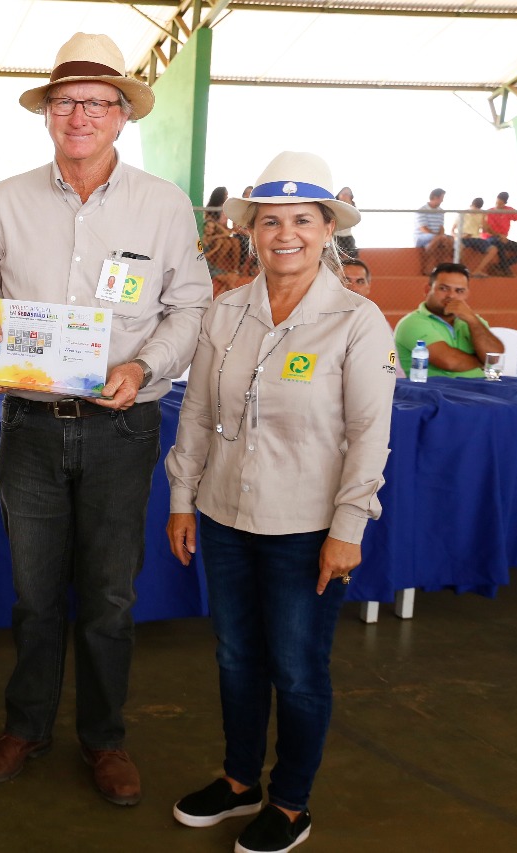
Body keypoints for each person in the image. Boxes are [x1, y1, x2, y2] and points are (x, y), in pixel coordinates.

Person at [0, 32, 210, 806]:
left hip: (122, 428)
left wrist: (144, 368)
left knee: (109, 597)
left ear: (122, 115)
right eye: (66, 101)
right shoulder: (8, 198)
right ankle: (26, 725)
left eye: (98, 103)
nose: (80, 116)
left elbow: (190, 307)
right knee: (35, 594)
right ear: (47, 113)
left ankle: (105, 738)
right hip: (30, 425)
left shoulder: (162, 204)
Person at [165, 152, 396, 853]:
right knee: (236, 656)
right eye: (270, 221)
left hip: (307, 528)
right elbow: (197, 413)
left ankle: (291, 802)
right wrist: (182, 496)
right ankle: (239, 781)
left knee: (296, 669)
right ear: (251, 231)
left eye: (302, 219)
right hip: (224, 516)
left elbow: (369, 435)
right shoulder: (226, 310)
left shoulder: (357, 320)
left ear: (328, 230)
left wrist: (348, 528)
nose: (285, 233)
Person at [393, 262, 504, 378]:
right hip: (435, 388)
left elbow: (494, 358)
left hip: (482, 386)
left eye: (459, 291)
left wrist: (472, 320)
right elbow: (449, 361)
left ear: (467, 294)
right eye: (443, 288)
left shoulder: (473, 320)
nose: (451, 295)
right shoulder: (412, 323)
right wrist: (482, 362)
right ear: (427, 290)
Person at [203, 186, 243, 296]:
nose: (227, 196)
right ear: (220, 195)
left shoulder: (225, 209)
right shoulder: (211, 209)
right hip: (216, 234)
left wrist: (230, 230)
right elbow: (211, 225)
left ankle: (235, 269)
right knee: (225, 243)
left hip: (224, 233)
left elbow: (227, 228)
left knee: (235, 242)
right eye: (225, 194)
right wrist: (223, 232)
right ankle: (218, 265)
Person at [453, 198, 500, 277]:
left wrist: (484, 217)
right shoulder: (462, 214)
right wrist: (460, 236)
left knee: (493, 249)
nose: (475, 210)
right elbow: (452, 230)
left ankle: (478, 270)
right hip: (464, 238)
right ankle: (463, 270)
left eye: (478, 209)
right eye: (474, 208)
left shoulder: (481, 214)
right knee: (459, 247)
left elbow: (485, 230)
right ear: (471, 205)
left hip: (476, 238)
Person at [484, 191, 517, 274]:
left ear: (505, 203)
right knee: (499, 242)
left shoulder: (509, 210)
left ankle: (502, 265)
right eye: (496, 203)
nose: (497, 206)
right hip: (490, 237)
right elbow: (487, 229)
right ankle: (505, 269)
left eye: (500, 204)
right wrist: (499, 235)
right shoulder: (489, 212)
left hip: (503, 238)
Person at [414, 188, 453, 268]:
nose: (442, 200)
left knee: (450, 240)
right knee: (439, 238)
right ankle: (428, 266)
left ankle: (440, 264)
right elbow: (423, 229)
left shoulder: (441, 211)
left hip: (436, 237)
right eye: (441, 198)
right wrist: (438, 236)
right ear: (435, 197)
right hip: (421, 237)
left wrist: (441, 236)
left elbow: (441, 227)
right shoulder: (422, 210)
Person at [333, 187, 357, 257]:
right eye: (343, 194)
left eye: (347, 194)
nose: (345, 196)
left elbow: (354, 220)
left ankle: (352, 262)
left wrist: (349, 205)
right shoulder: (334, 204)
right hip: (336, 234)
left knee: (353, 251)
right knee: (335, 252)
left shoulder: (352, 206)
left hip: (347, 235)